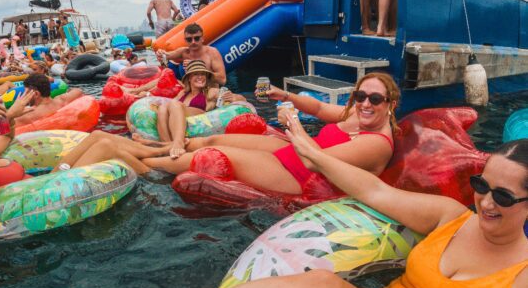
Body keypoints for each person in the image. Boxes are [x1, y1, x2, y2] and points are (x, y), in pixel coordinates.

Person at [51, 137, 528, 288]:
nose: (487, 202)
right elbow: (376, 190)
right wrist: (312, 155)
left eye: (504, 195)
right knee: (322, 284)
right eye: (482, 186)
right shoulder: (451, 217)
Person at [143, 72, 398, 196]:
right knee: (211, 139)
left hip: (298, 175)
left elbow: (315, 160)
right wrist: (285, 96)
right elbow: (319, 107)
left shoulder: (377, 144)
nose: (365, 104)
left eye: (375, 99)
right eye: (360, 96)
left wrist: (293, 122)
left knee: (215, 154)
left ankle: (142, 164)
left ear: (391, 104)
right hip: (292, 152)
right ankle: (152, 148)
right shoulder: (357, 114)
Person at [146, 60, 242, 159]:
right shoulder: (183, 93)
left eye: (203, 74)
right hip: (180, 115)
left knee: (175, 104)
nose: (200, 77)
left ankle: (178, 143)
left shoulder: (210, 92)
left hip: (200, 115)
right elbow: (168, 106)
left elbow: (241, 99)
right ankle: (167, 145)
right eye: (196, 74)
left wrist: (233, 97)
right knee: (163, 108)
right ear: (189, 78)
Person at [155, 23, 226, 86]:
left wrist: (197, 67)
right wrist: (160, 54)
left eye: (197, 38)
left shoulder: (212, 52)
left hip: (209, 92)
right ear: (185, 41)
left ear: (202, 39)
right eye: (189, 39)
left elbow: (222, 80)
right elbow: (166, 55)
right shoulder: (184, 52)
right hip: (190, 92)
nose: (193, 42)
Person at [12, 73, 82, 127]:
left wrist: (14, 109)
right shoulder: (62, 100)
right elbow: (78, 90)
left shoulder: (28, 116)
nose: (25, 95)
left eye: (26, 92)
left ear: (36, 94)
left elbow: (5, 127)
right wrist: (68, 91)